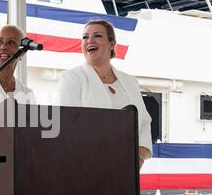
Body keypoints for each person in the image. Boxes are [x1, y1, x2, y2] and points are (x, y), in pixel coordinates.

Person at [58, 19, 152, 169]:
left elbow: (144, 123)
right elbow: (70, 126)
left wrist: (138, 158)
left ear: (112, 44)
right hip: (87, 166)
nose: (90, 41)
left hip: (128, 169)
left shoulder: (130, 81)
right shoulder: (71, 77)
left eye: (97, 36)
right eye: (85, 37)